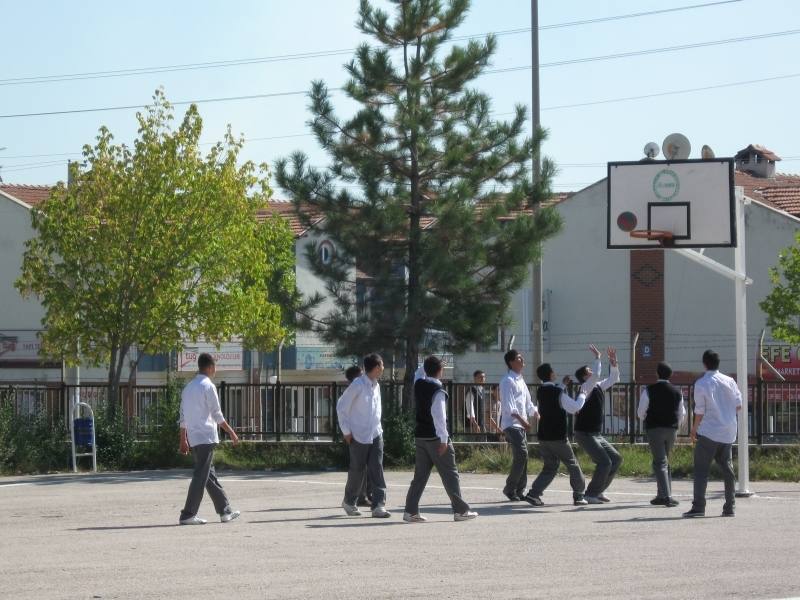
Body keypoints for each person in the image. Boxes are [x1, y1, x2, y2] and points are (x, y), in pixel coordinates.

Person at [403, 355, 478, 523]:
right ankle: (460, 510)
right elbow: (439, 416)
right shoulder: (438, 390)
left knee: (420, 476)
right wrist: (444, 439)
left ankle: (410, 511)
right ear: (440, 371)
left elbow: (418, 373)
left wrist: (427, 364)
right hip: (436, 438)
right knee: (450, 474)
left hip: (420, 436)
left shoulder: (419, 384)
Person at [178, 353, 241, 525]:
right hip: (206, 436)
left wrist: (183, 440)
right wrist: (231, 432)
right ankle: (188, 514)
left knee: (208, 476)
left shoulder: (188, 387)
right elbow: (217, 414)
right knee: (201, 475)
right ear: (211, 367)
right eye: (215, 367)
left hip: (194, 437)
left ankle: (225, 510)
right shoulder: (208, 386)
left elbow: (182, 417)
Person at [684, 350, 742, 518]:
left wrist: (694, 429)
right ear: (718, 363)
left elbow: (700, 411)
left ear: (704, 364)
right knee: (727, 469)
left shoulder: (702, 383)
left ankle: (699, 507)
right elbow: (739, 405)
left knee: (702, 470)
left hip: (709, 431)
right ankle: (730, 507)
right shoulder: (730, 381)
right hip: (729, 431)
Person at [523, 363, 588, 506]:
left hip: (543, 436)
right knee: (572, 464)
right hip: (558, 436)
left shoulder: (541, 391)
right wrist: (583, 394)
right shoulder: (558, 393)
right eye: (553, 371)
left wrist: (563, 385)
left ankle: (534, 494)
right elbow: (575, 407)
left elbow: (554, 392)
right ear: (551, 374)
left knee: (550, 466)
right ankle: (579, 495)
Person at [336, 353, 390, 518]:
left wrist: (379, 429)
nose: (383, 368)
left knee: (377, 468)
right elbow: (341, 406)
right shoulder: (358, 385)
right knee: (357, 470)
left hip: (375, 433)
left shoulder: (377, 385)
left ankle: (378, 505)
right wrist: (346, 431)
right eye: (381, 365)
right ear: (375, 367)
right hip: (358, 435)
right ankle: (349, 502)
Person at [573, 345, 622, 504]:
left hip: (596, 434)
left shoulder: (599, 386)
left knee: (616, 458)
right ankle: (590, 494)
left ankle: (599, 490)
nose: (592, 372)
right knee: (604, 462)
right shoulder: (585, 388)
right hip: (585, 433)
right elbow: (597, 375)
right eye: (589, 371)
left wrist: (614, 364)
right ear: (584, 377)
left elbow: (613, 379)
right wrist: (598, 358)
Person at [638, 361, 686, 508]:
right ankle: (662, 494)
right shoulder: (677, 391)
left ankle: (666, 496)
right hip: (672, 429)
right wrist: (675, 426)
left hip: (654, 429)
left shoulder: (649, 390)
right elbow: (681, 413)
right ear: (670, 375)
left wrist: (647, 418)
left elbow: (640, 412)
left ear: (657, 373)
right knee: (664, 461)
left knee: (660, 462)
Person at [499, 349, 537, 501]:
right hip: (511, 424)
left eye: (521, 358)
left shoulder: (520, 380)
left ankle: (520, 490)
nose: (522, 360)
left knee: (524, 457)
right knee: (522, 455)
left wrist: (535, 413)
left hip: (520, 425)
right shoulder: (507, 380)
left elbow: (528, 403)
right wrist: (523, 421)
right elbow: (509, 407)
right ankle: (510, 489)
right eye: (518, 358)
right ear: (511, 362)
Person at [344, 365, 372, 508]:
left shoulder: (364, 389)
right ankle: (356, 497)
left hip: (365, 434)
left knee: (366, 466)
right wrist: (347, 433)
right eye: (361, 375)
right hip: (355, 434)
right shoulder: (352, 392)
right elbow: (343, 412)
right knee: (358, 467)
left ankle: (364, 494)